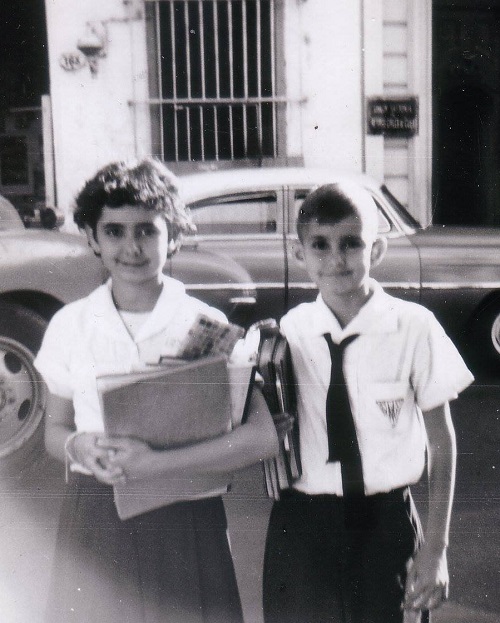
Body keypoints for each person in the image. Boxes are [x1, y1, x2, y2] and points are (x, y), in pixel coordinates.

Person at [34, 158, 279, 623]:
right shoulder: (71, 325)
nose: (132, 247)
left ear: (175, 235)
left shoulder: (207, 326)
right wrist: (79, 445)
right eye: (114, 232)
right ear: (90, 237)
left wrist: (158, 463)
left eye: (147, 230)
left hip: (185, 519)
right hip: (98, 515)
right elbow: (56, 431)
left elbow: (261, 437)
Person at [262, 182, 474, 623]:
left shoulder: (414, 326)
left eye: (351, 243)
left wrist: (435, 549)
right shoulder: (288, 332)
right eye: (319, 245)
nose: (336, 259)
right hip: (303, 527)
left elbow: (442, 443)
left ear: (375, 250)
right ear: (299, 254)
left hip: (385, 526)